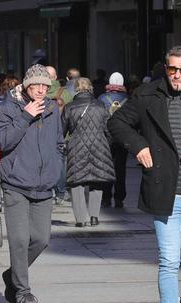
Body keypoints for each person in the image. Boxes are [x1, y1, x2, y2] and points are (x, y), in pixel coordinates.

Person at [108, 45, 181, 303]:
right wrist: (139, 147)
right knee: (168, 262)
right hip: (163, 193)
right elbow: (116, 122)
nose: (176, 75)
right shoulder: (146, 95)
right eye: (171, 69)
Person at [0, 64, 64, 303]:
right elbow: (1, 141)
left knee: (42, 239)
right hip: (16, 184)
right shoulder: (8, 107)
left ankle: (11, 275)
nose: (42, 90)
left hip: (44, 185)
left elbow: (57, 143)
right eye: (37, 85)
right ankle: (22, 292)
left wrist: (57, 169)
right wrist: (25, 116)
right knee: (20, 240)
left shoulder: (53, 109)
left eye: (46, 85)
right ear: (26, 85)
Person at [62, 78, 115, 227]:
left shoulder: (70, 107)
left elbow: (62, 130)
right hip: (99, 145)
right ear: (90, 88)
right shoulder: (101, 106)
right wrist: (107, 144)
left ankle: (80, 219)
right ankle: (94, 216)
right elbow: (108, 130)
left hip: (76, 147)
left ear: (76, 89)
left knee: (76, 182)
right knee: (96, 180)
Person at [99, 72, 129, 208]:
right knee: (121, 169)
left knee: (106, 168)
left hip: (106, 138)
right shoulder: (129, 99)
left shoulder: (102, 98)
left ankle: (106, 197)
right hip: (123, 138)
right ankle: (119, 198)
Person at [46, 66, 73, 205]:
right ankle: (60, 193)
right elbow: (71, 114)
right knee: (61, 164)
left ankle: (46, 191)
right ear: (55, 77)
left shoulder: (38, 92)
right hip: (62, 134)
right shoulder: (65, 93)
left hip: (43, 134)